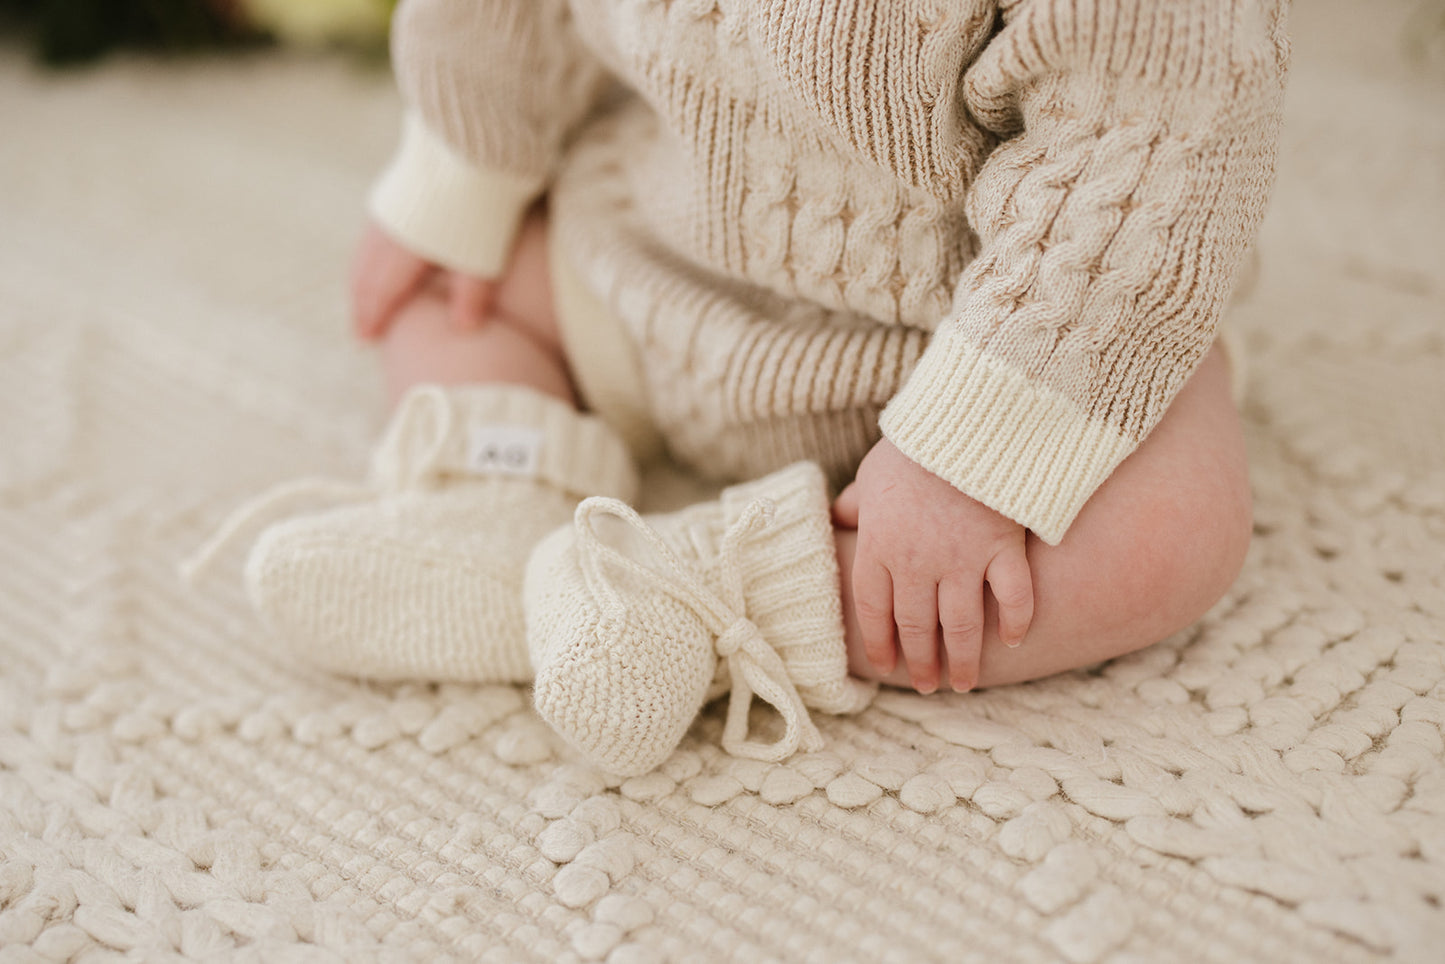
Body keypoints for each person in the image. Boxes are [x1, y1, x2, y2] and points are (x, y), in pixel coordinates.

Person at [202, 0, 1287, 777]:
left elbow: (1141, 158)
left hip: (966, 340)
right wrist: (463, 167)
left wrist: (974, 455)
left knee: (1172, 527)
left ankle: (716, 597)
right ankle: (493, 509)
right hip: (641, 262)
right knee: (453, 292)